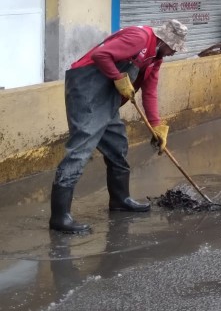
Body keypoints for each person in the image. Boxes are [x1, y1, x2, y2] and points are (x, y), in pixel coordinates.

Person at [49, 20, 188, 234]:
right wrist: (118, 78)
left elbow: (149, 92)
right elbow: (101, 55)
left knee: (118, 145)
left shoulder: (155, 58)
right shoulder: (139, 38)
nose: (172, 53)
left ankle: (120, 200)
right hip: (86, 89)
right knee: (80, 150)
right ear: (163, 41)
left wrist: (157, 126)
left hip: (107, 97)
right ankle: (60, 217)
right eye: (173, 48)